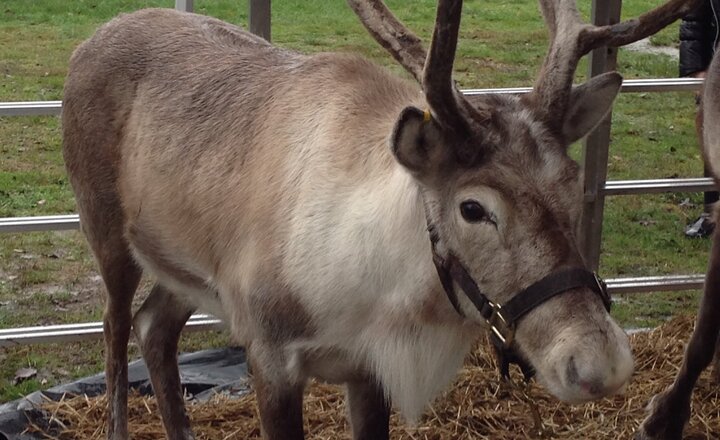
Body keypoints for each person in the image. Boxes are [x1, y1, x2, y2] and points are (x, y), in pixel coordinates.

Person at [680, 0, 720, 237]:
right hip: (717, 73)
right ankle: (710, 213)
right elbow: (693, 20)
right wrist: (696, 70)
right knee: (712, 136)